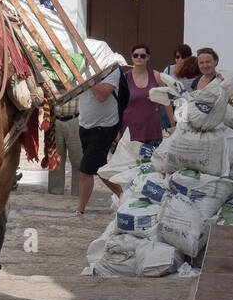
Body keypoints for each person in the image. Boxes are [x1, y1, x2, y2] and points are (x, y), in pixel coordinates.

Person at [75, 41, 122, 215]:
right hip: (86, 123)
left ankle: (79, 210)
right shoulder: (83, 68)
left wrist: (88, 79)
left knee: (85, 171)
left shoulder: (112, 69)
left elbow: (102, 95)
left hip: (105, 126)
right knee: (100, 168)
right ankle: (123, 194)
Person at [121, 43, 172, 148]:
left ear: (148, 57)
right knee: (130, 163)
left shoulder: (156, 76)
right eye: (136, 55)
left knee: (152, 163)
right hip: (129, 132)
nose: (139, 58)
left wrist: (173, 124)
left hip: (152, 131)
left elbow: (166, 102)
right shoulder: (125, 78)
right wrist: (116, 131)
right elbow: (118, 106)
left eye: (142, 55)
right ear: (131, 57)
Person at [47, 93, 82, 196]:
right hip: (55, 120)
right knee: (55, 158)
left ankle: (78, 192)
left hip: (75, 120)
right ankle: (55, 191)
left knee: (78, 159)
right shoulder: (52, 77)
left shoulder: (78, 76)